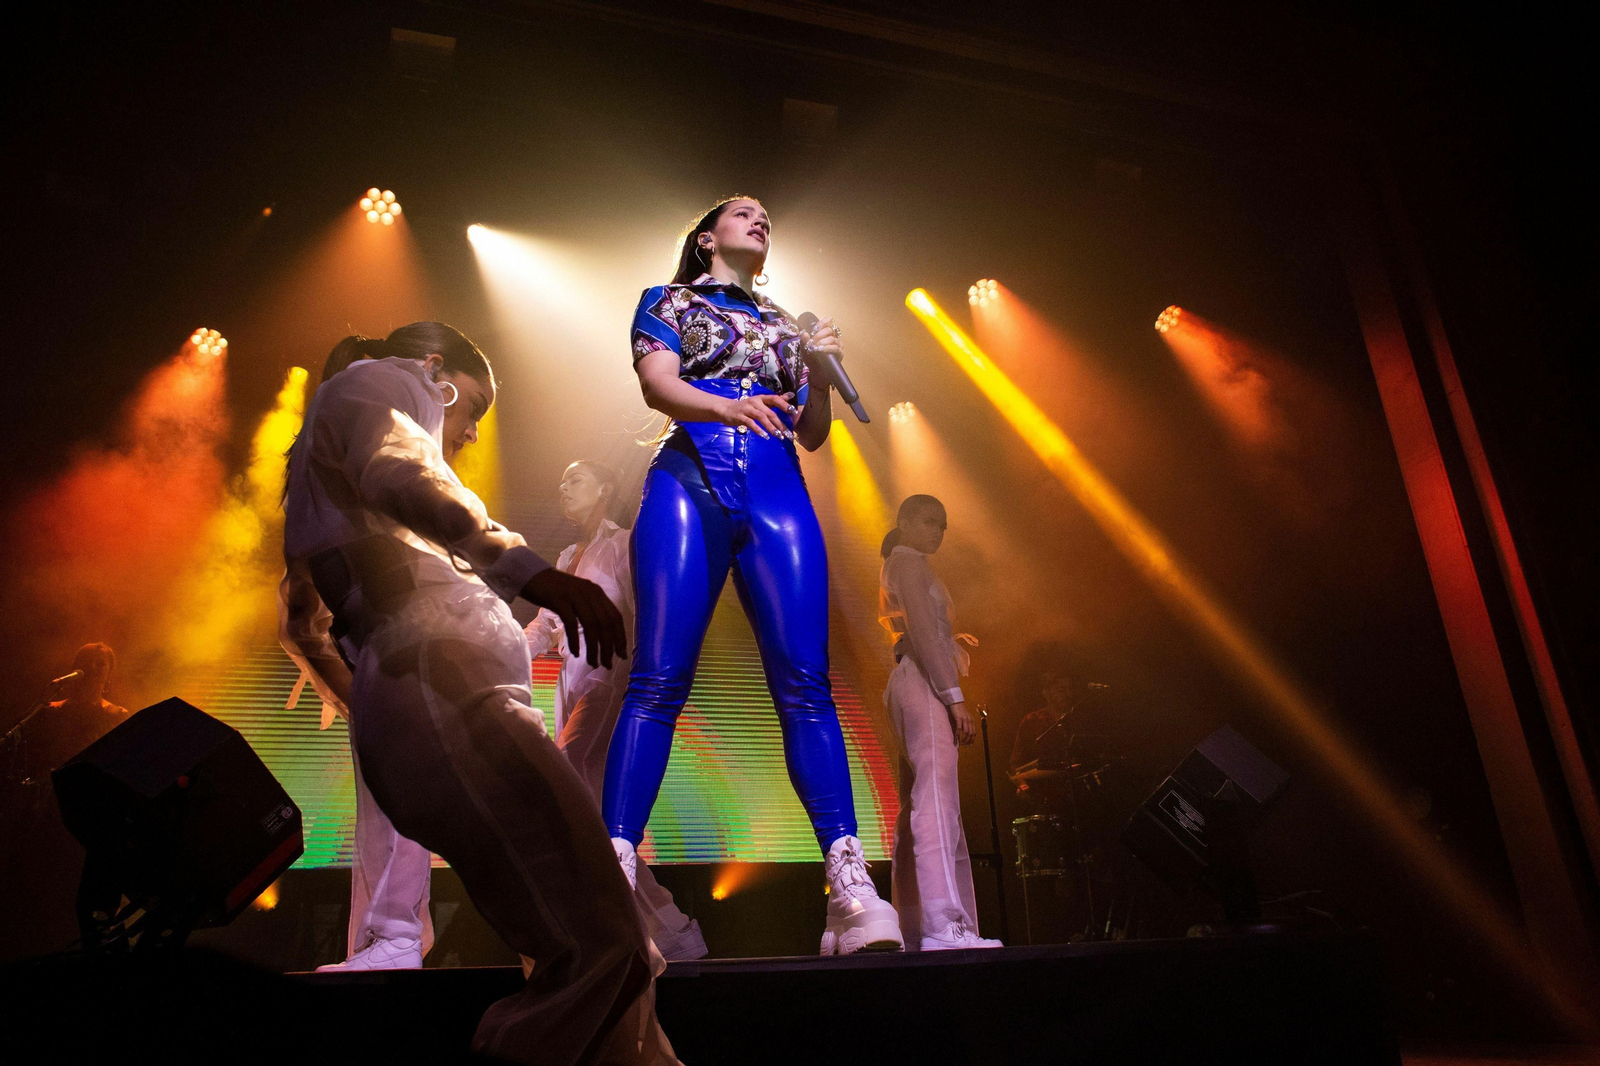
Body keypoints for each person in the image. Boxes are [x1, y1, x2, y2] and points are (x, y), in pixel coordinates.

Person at [282, 322, 676, 1064]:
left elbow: (302, 626)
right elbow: (401, 470)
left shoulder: (316, 486)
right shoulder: (384, 383)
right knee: (603, 941)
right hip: (449, 691)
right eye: (475, 409)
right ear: (438, 370)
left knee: (598, 943)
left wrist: (376, 703)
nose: (466, 434)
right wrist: (531, 573)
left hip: (435, 697)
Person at [604, 196, 904, 955]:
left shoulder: (786, 324)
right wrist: (729, 409)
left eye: (766, 213)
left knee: (806, 680)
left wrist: (823, 374)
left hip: (775, 488)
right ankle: (610, 873)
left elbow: (809, 431)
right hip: (690, 476)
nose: (759, 217)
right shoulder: (667, 300)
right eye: (743, 212)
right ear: (708, 238)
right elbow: (658, 387)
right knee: (658, 678)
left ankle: (847, 884)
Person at [278, 336, 483, 972]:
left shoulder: (396, 477)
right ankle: (390, 942)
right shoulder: (344, 488)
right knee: (392, 800)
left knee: (454, 799)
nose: (471, 434)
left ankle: (397, 938)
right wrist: (359, 692)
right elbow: (298, 619)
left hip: (431, 651)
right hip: (395, 655)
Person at [524, 460, 706, 961]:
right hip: (570, 682)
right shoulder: (564, 557)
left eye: (575, 478)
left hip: (608, 676)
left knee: (567, 770)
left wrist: (646, 686)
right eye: (561, 480)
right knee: (599, 815)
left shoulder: (624, 542)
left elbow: (645, 611)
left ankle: (629, 927)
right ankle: (664, 927)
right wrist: (504, 645)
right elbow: (543, 626)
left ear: (605, 487)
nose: (563, 486)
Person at [879, 495, 1002, 951]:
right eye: (929, 521)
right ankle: (945, 925)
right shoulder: (907, 561)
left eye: (943, 526)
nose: (938, 532)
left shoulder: (905, 563)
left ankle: (917, 927)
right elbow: (924, 633)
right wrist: (955, 699)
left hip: (910, 680)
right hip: (923, 683)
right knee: (936, 802)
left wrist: (948, 639)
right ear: (905, 522)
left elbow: (924, 629)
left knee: (918, 807)